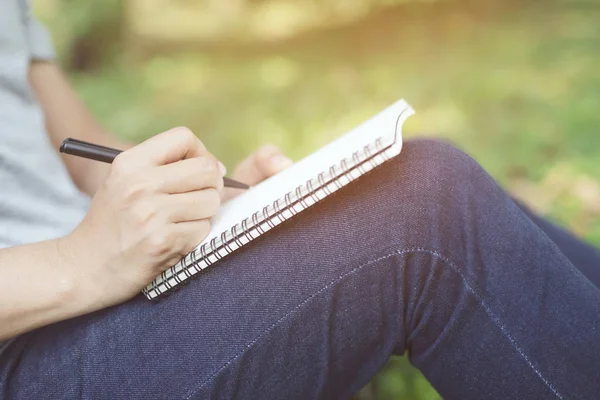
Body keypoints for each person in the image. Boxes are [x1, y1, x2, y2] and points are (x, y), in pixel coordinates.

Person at [1, 1, 599, 399]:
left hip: (114, 283)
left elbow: (79, 150)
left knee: (394, 176)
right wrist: (80, 262)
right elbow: (82, 256)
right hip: (28, 342)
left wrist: (206, 200)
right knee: (423, 208)